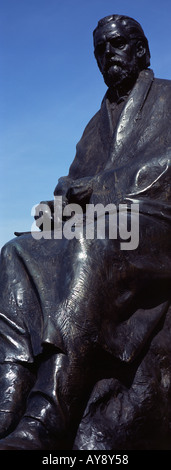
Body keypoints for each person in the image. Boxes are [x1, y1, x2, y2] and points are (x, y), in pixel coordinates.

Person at [0, 14, 170, 450]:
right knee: (16, 252)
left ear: (141, 50)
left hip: (152, 222)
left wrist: (94, 190)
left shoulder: (170, 98)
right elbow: (75, 186)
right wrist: (59, 205)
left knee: (87, 245)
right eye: (100, 50)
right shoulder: (94, 127)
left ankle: (48, 414)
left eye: (116, 45)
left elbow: (163, 169)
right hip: (100, 222)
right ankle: (10, 392)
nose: (107, 55)